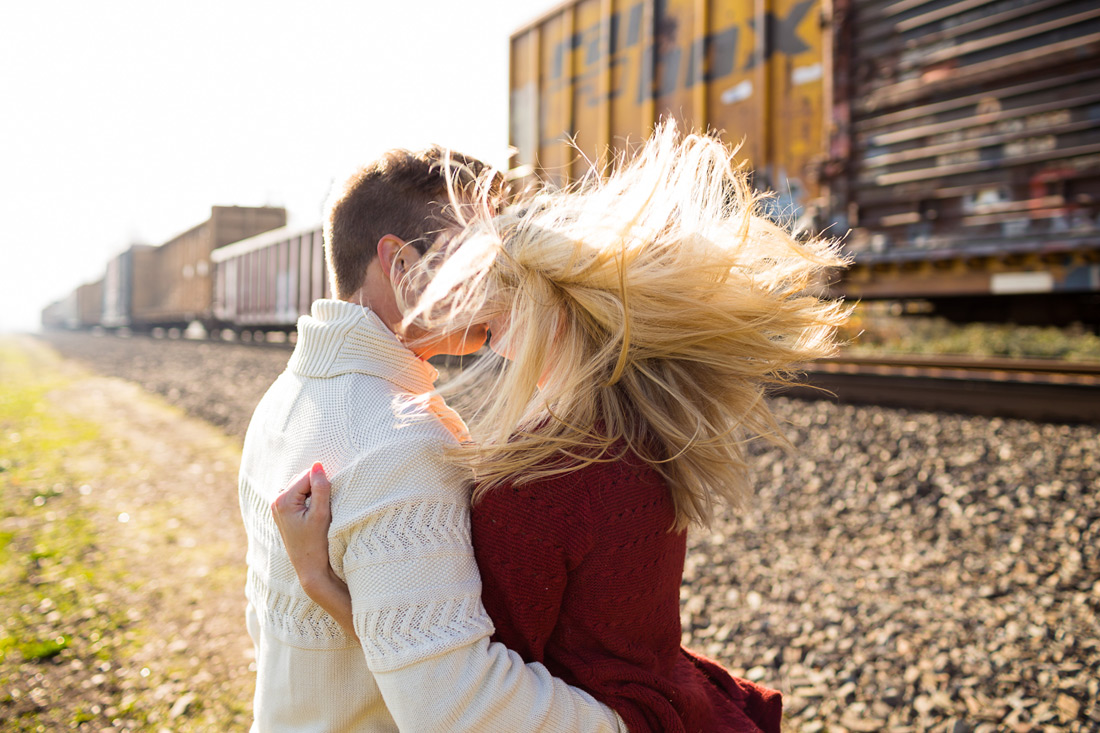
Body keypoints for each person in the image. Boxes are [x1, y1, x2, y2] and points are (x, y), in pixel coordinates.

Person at [274, 124, 850, 731]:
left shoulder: (543, 475)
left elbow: (461, 692)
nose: (481, 306)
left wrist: (319, 582)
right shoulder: (637, 430)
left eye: (504, 293)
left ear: (557, 314)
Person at [239, 145, 627, 732]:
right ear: (399, 263)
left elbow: (267, 625)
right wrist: (632, 723)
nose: (501, 283)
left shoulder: (280, 403)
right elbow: (458, 707)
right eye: (475, 259)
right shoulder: (401, 444)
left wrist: (321, 585)